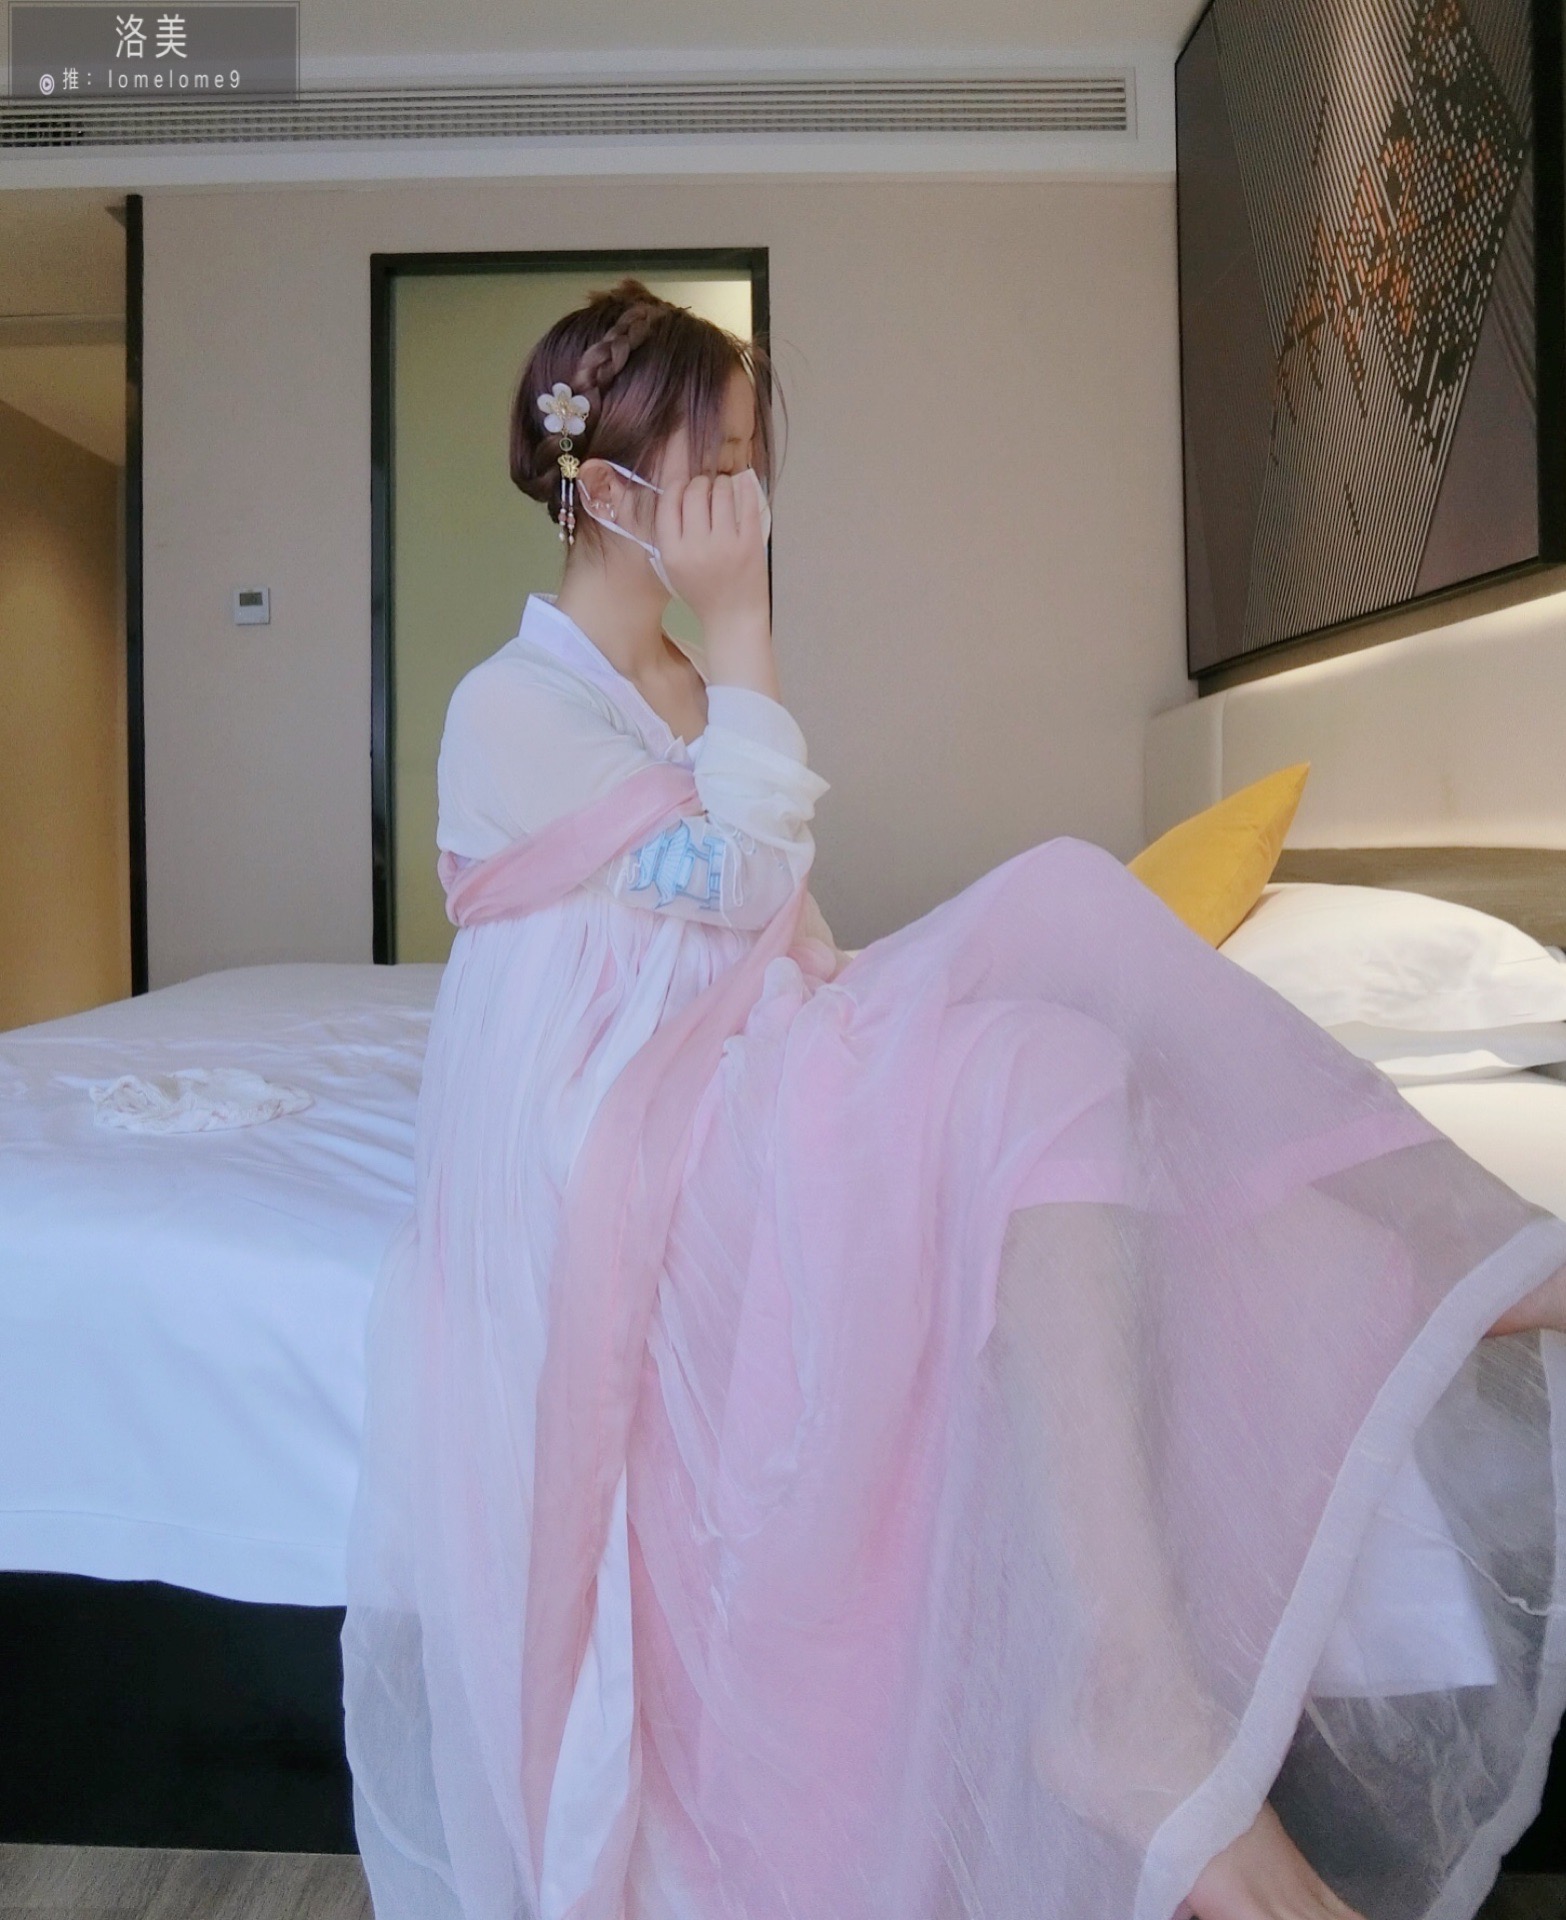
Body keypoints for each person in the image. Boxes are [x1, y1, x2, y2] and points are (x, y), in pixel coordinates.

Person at [341, 281, 1566, 1920]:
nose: (745, 503)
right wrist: (749, 619)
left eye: (751, 467)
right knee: (1044, 968)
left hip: (719, 1060)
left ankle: (1147, 1662)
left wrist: (863, 991)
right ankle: (1170, 1644)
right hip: (621, 1127)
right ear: (610, 480)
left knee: (1053, 1028)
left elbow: (775, 924)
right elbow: (739, 880)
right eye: (719, 466)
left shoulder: (683, 686)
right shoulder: (512, 702)